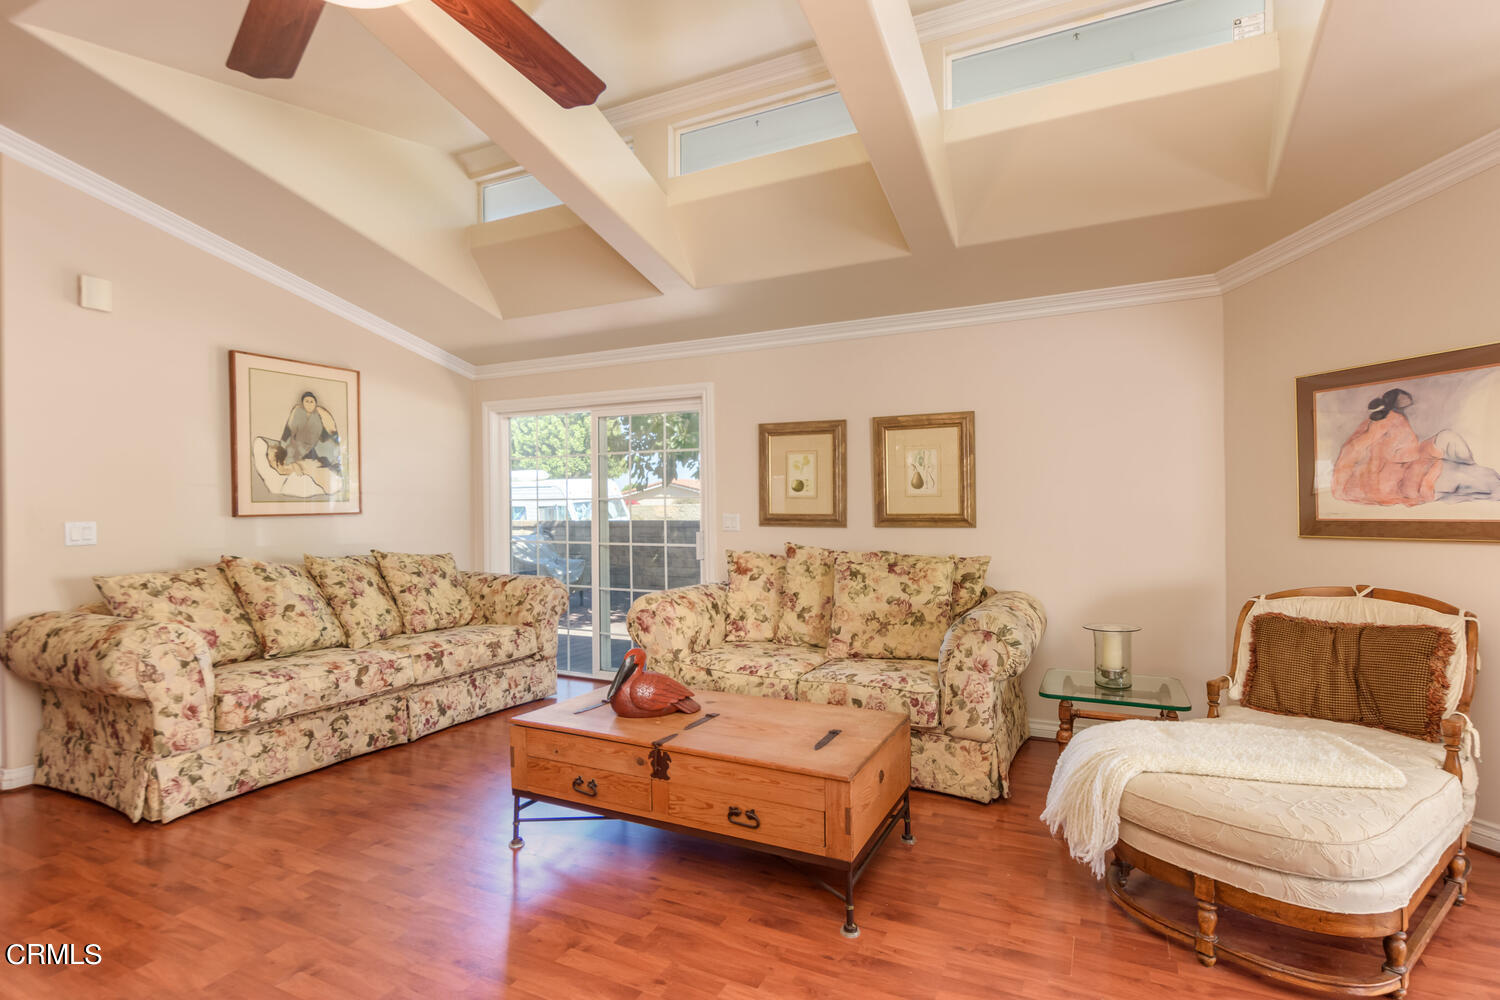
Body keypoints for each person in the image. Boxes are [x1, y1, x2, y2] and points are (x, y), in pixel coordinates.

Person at [1331, 387, 1500, 505]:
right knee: (1462, 472)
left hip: (1413, 463)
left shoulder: (1389, 421)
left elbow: (1408, 451)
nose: (1411, 408)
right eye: (1407, 404)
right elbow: (1403, 454)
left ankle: (1472, 470)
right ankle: (1473, 473)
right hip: (1405, 475)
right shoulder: (1386, 423)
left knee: (1448, 439)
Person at [280, 392, 342, 476]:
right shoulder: (297, 413)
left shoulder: (320, 415)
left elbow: (329, 433)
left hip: (314, 447)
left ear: (315, 403)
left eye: (311, 401)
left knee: (324, 463)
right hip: (297, 446)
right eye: (306, 401)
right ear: (303, 403)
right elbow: (289, 432)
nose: (309, 404)